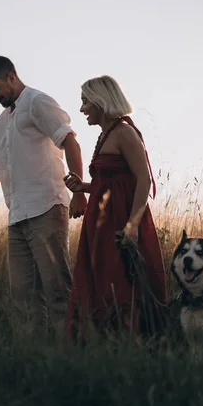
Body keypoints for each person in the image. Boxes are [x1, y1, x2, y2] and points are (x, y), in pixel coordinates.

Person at [0, 55, 87, 337]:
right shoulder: (0, 124)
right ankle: (34, 359)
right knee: (23, 296)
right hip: (17, 218)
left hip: (47, 208)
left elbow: (69, 140)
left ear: (11, 76)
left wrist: (79, 190)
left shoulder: (37, 102)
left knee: (58, 289)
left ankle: (73, 357)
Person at [64, 75, 167, 339]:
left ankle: (128, 343)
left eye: (85, 101)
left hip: (121, 220)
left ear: (101, 101)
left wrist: (132, 225)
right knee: (97, 280)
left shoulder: (124, 132)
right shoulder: (105, 135)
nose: (82, 108)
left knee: (119, 283)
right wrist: (83, 187)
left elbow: (143, 179)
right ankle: (99, 343)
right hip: (100, 223)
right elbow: (109, 182)